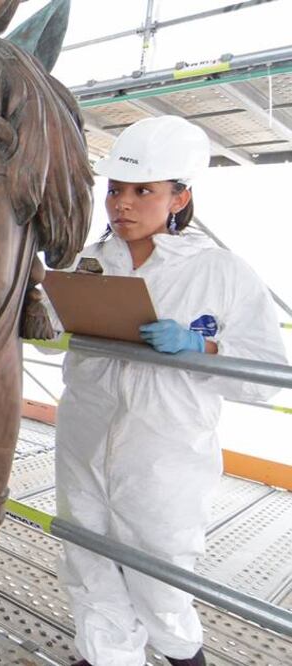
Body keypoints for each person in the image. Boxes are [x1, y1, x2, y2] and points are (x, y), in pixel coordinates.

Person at [52, 116, 288, 666]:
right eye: (114, 190)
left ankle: (183, 656)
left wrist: (198, 349)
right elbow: (48, 343)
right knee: (87, 564)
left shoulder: (221, 272)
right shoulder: (90, 261)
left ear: (180, 196)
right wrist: (49, 305)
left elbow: (264, 375)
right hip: (83, 436)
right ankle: (108, 657)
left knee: (159, 575)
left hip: (164, 454)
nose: (122, 205)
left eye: (143, 191)